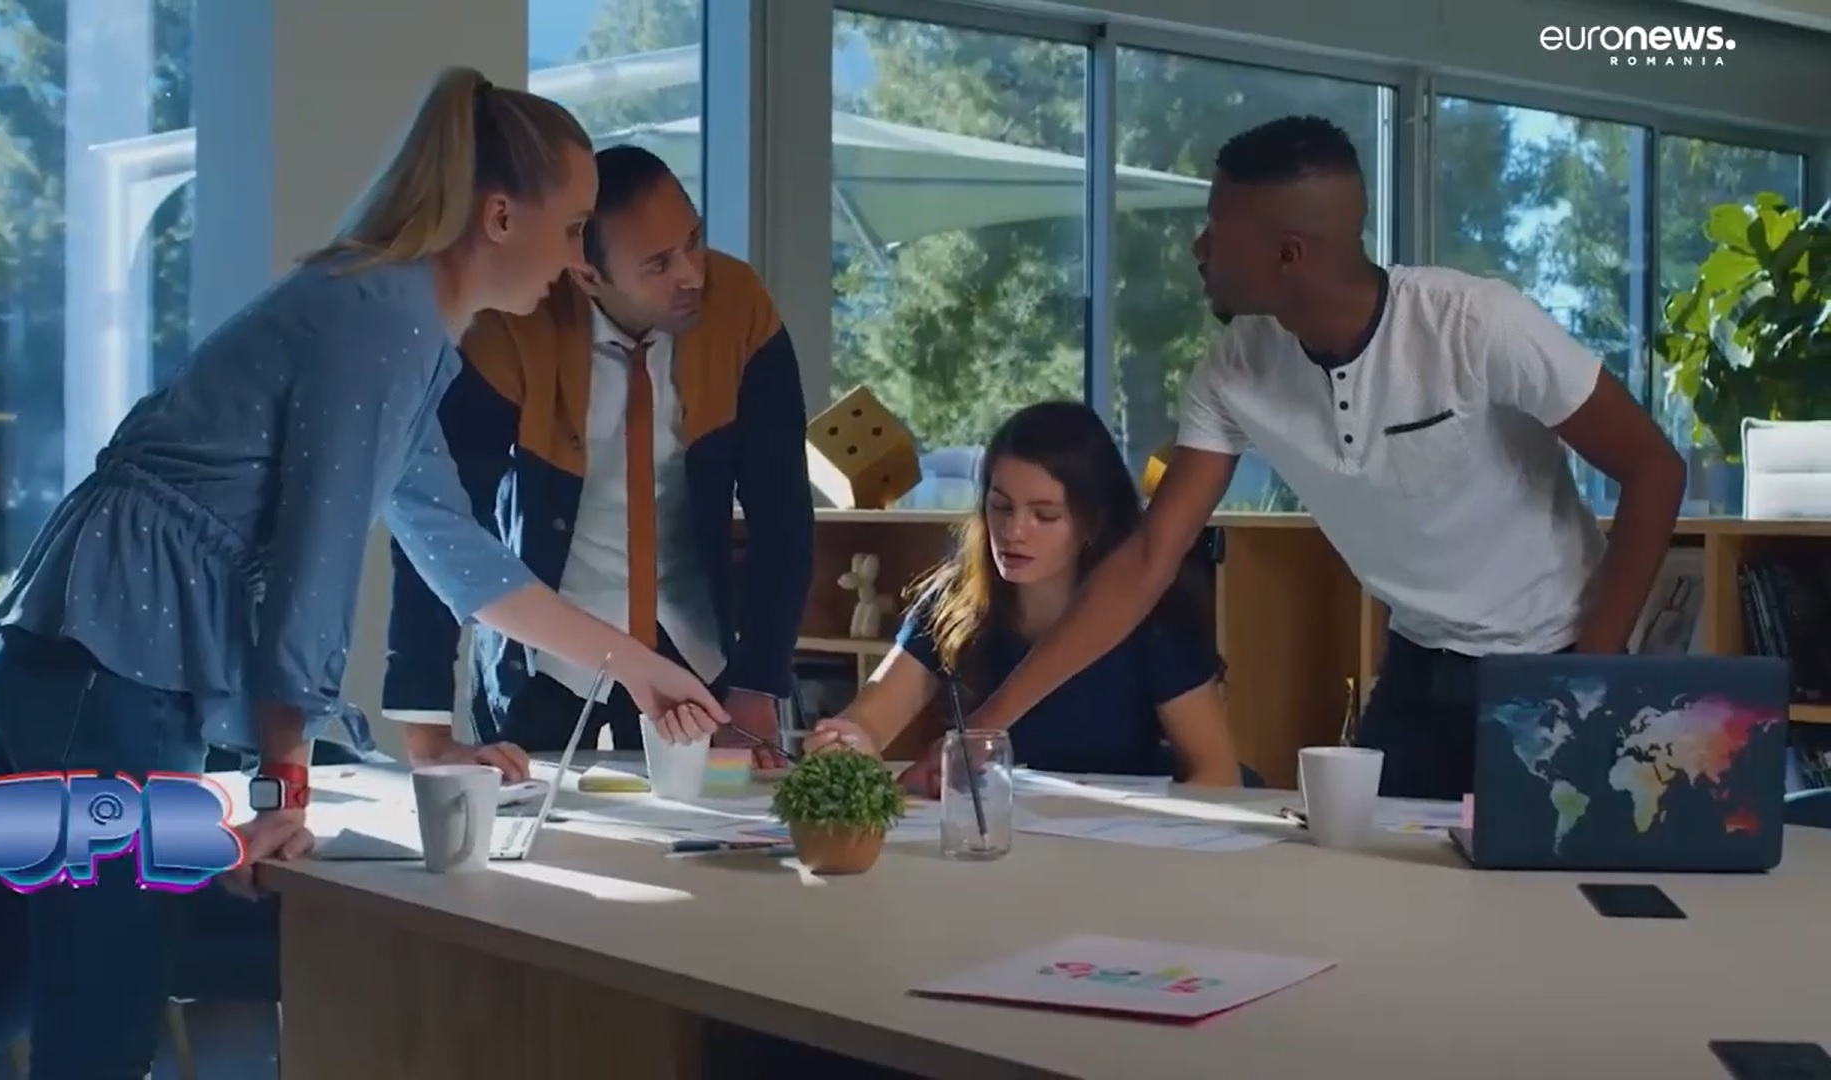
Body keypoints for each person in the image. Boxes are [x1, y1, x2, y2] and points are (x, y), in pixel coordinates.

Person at [0, 68, 725, 1079]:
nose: (580, 264)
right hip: (109, 665)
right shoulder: (381, 323)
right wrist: (284, 786)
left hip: (53, 646)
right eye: (573, 230)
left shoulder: (398, 322)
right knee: (104, 1013)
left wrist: (638, 668)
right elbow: (314, 570)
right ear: (498, 217)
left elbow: (457, 553)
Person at [961, 116, 1687, 802]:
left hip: (1554, 656)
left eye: (1216, 227)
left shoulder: (1474, 326)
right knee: (1362, 872)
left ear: (1289, 254)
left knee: (1544, 884)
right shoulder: (1234, 369)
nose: (1198, 248)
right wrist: (984, 729)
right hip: (1418, 659)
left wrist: (1592, 675)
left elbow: (1654, 467)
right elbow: (1149, 557)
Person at [383, 144, 813, 773]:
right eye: (658, 263)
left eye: (693, 242)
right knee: (533, 819)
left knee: (712, 824)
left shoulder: (739, 306)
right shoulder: (516, 322)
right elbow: (440, 525)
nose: (692, 274)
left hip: (697, 648)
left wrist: (759, 681)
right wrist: (427, 726)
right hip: (546, 653)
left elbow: (783, 512)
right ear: (587, 273)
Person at [805, 401, 1241, 794]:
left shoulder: (1154, 621)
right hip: (1000, 836)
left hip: (1119, 839)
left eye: (1044, 515)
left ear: (1093, 521)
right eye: (1000, 507)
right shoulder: (954, 600)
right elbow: (872, 716)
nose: (1013, 531)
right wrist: (846, 740)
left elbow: (1219, 776)